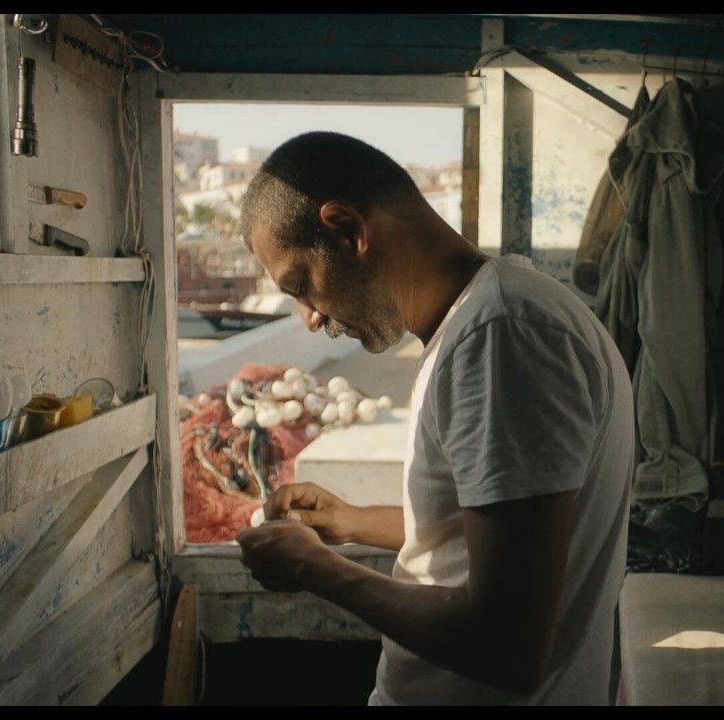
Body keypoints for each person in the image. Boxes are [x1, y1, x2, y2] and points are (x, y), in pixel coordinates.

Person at [234, 131, 634, 705]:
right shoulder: (488, 317)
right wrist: (350, 522)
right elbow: (500, 536)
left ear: (348, 230)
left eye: (301, 285)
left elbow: (509, 647)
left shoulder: (501, 337)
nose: (309, 320)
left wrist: (317, 571)